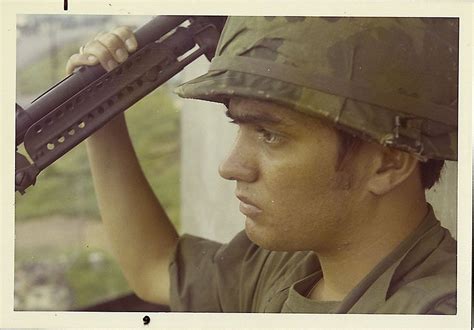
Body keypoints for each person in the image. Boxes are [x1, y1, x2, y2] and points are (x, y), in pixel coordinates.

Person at [66, 16, 458, 314]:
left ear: (388, 163)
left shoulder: (438, 309)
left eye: (270, 135)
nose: (231, 166)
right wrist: (101, 117)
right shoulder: (293, 264)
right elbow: (155, 269)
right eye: (241, 127)